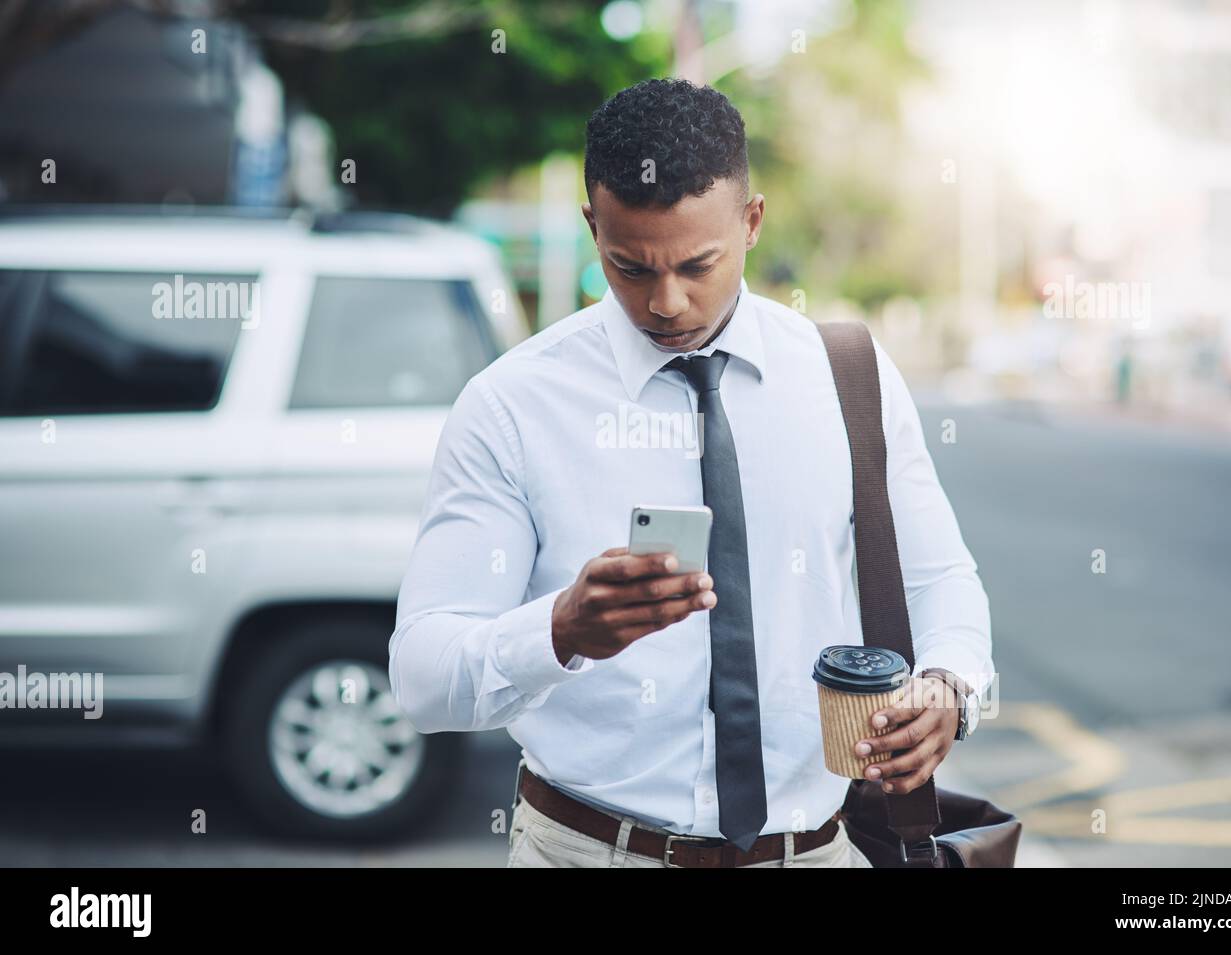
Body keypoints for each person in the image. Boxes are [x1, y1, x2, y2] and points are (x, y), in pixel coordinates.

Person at [389, 77, 994, 868]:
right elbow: (422, 674)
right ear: (590, 226)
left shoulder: (847, 376)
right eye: (629, 267)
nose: (666, 303)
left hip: (811, 852)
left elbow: (941, 577)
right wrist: (559, 630)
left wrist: (948, 687)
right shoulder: (511, 405)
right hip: (587, 851)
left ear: (751, 222)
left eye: (696, 265)